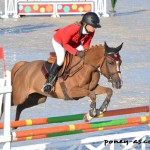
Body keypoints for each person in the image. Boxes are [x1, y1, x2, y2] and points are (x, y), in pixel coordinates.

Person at [42, 12, 101, 94]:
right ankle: (48, 82)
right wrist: (76, 52)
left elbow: (86, 44)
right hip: (59, 41)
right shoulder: (74, 28)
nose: (94, 28)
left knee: (84, 55)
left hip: (74, 43)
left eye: (95, 27)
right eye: (93, 26)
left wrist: (85, 53)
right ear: (85, 24)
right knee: (60, 60)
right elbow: (65, 44)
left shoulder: (91, 31)